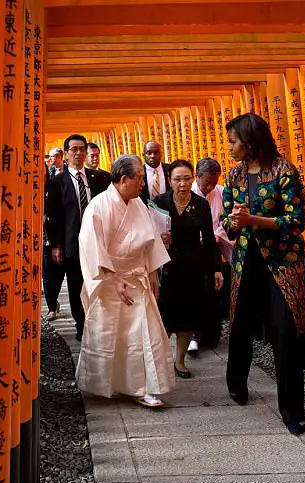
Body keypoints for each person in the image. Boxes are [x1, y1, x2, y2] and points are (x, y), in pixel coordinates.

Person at [221, 113, 305, 436]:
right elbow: (227, 222)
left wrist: (253, 220)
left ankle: (292, 411)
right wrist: (233, 220)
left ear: (250, 140)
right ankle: (236, 385)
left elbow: (296, 221)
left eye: (233, 141)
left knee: (285, 333)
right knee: (241, 324)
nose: (229, 147)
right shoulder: (234, 175)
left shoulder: (283, 171)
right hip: (246, 261)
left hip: (283, 263)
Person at [76, 154, 173, 408]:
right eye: (139, 178)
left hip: (137, 278)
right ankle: (114, 385)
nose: (143, 183)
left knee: (144, 335)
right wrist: (113, 278)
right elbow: (91, 248)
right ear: (123, 179)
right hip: (110, 281)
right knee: (112, 337)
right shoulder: (98, 206)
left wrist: (152, 273)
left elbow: (150, 240)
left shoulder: (139, 205)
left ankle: (145, 387)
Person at [152, 159, 223, 377]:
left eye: (186, 178)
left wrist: (216, 269)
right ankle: (159, 361)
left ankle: (180, 361)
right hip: (165, 267)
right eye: (177, 179)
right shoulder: (159, 202)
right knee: (163, 317)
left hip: (192, 266)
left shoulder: (200, 204)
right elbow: (147, 233)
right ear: (170, 180)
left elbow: (209, 240)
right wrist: (158, 237)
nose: (182, 183)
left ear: (192, 179)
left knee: (188, 317)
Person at [44, 134, 110, 337]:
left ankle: (99, 322)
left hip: (97, 241)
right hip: (72, 243)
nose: (79, 153)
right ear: (66, 154)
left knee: (99, 282)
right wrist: (56, 244)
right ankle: (82, 326)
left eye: (82, 149)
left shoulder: (98, 178)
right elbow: (52, 215)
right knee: (76, 285)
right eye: (74, 149)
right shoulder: (57, 182)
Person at [188, 157, 234, 353]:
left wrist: (215, 236)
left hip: (215, 250)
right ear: (197, 177)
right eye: (206, 183)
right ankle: (193, 334)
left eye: (213, 183)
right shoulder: (186, 193)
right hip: (193, 252)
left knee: (215, 291)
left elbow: (228, 221)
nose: (209, 188)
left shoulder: (222, 193)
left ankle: (211, 334)